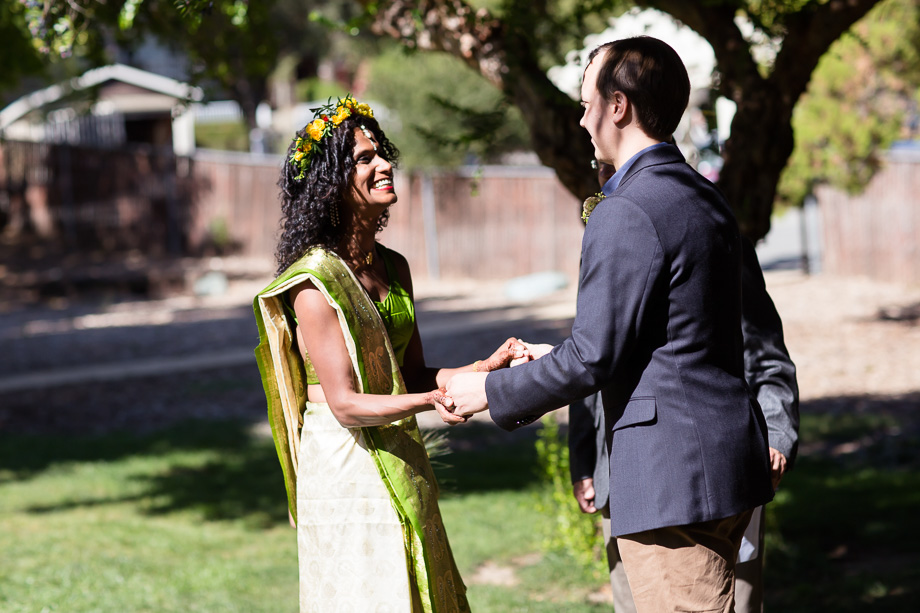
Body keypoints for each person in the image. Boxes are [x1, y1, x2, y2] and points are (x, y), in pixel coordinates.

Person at [446, 37, 775, 612]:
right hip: (721, 466)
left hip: (671, 481)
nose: (580, 119)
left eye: (585, 103)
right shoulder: (705, 196)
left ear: (617, 106)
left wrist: (489, 391)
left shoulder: (627, 207)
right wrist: (558, 355)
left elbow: (595, 355)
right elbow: (675, 336)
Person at [253, 94, 525, 612]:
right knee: (372, 593)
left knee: (420, 587)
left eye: (382, 152)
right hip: (345, 462)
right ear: (332, 183)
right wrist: (429, 404)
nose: (384, 164)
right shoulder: (315, 283)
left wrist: (481, 369)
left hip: (398, 444)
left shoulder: (395, 267)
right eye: (364, 158)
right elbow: (346, 404)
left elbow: (412, 372)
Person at [569, 160, 799, 611]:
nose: (608, 181)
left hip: (720, 469)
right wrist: (584, 459)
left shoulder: (712, 235)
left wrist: (776, 434)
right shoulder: (608, 244)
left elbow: (766, 354)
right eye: (601, 171)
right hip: (623, 476)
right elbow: (588, 360)